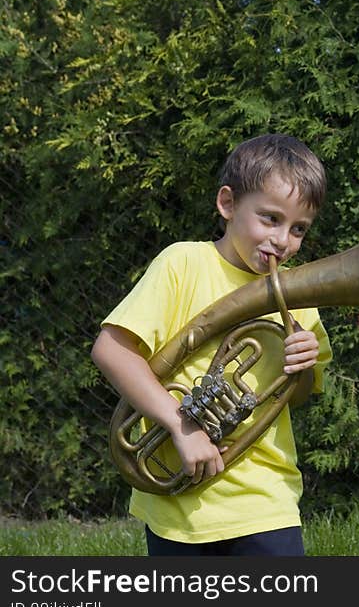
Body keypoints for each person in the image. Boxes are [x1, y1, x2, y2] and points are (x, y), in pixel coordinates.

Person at [91, 133, 332, 555]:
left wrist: (304, 367)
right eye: (270, 218)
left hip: (265, 497)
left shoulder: (299, 296)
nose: (282, 240)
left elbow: (297, 395)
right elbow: (111, 350)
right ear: (227, 204)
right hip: (176, 498)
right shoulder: (182, 263)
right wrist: (183, 425)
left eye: (299, 229)